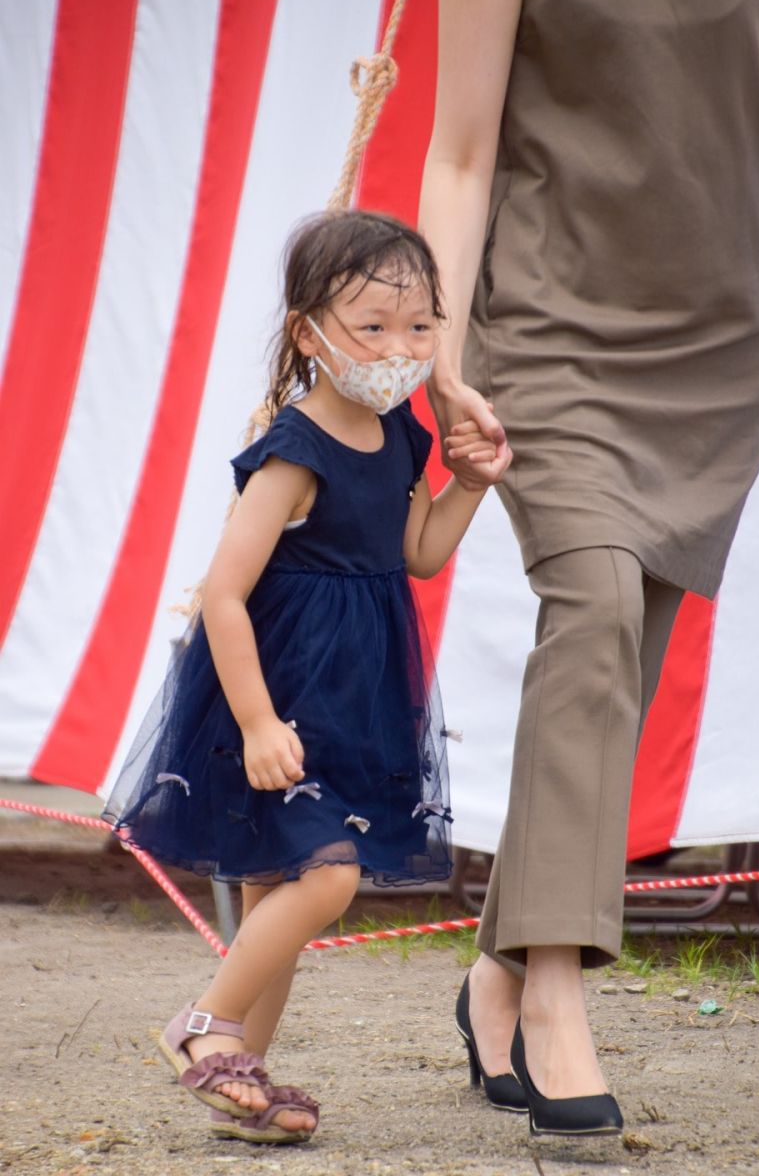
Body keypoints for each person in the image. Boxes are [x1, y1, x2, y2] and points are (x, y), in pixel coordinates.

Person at [417, 0, 759, 1139]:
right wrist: (436, 342)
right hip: (551, 313)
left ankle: (497, 973)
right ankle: (553, 991)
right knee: (587, 604)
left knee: (623, 642)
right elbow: (462, 146)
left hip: (717, 320)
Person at [103, 210, 509, 1145]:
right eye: (371, 325)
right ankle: (202, 1028)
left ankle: (240, 1076)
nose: (399, 348)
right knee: (326, 877)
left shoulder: (404, 439)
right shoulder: (292, 453)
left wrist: (472, 484)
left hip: (357, 697)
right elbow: (224, 595)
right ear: (308, 334)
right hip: (276, 696)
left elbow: (416, 555)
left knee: (271, 892)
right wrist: (254, 723)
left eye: (420, 326)